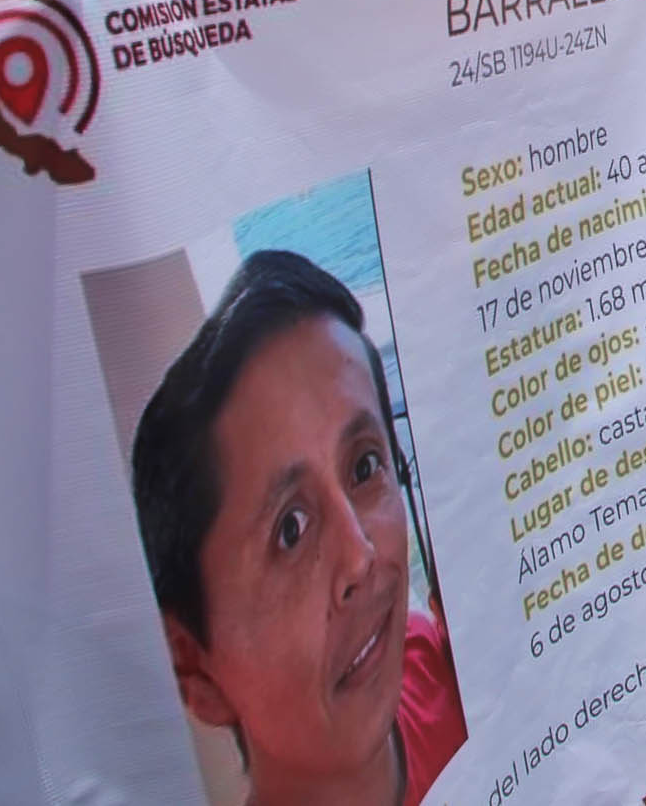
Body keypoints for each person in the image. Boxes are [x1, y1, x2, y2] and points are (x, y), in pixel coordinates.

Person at [132, 251, 464, 806]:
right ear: (195, 664)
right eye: (291, 529)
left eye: (364, 467)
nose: (360, 555)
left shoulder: (445, 674)